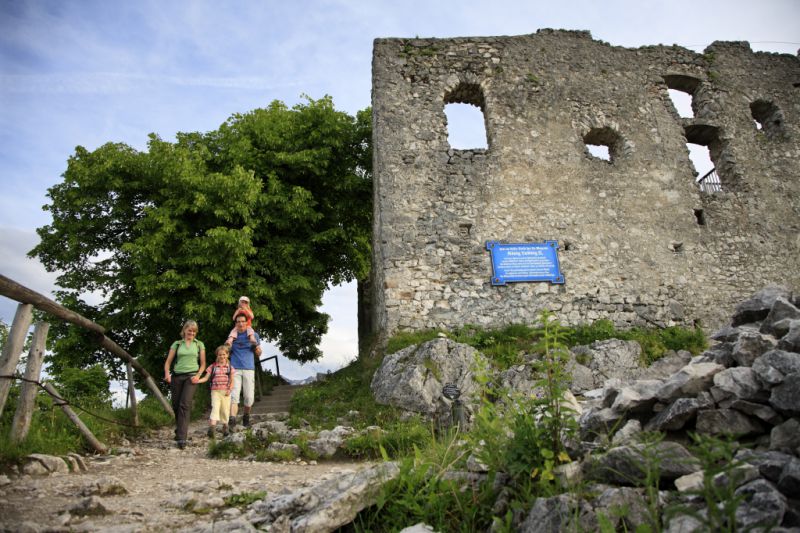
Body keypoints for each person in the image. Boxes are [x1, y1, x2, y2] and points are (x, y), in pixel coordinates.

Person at [164, 320, 206, 449]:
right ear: (184, 330)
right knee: (176, 405)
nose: (192, 333)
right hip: (177, 377)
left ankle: (182, 438)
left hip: (191, 377)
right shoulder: (177, 344)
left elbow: (203, 364)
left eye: (194, 331)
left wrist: (198, 376)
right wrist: (167, 374)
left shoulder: (199, 345)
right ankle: (179, 430)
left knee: (184, 405)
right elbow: (168, 362)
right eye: (190, 330)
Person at [228, 313, 261, 428]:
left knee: (249, 397)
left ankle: (246, 416)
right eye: (238, 322)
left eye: (243, 321)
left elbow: (259, 353)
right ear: (236, 324)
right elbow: (226, 352)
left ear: (247, 323)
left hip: (249, 368)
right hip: (235, 369)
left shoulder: (254, 335)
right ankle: (232, 420)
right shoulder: (232, 336)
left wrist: (255, 347)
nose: (241, 323)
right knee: (234, 396)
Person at [197, 345, 235, 438]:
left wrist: (229, 390)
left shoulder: (230, 367)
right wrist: (197, 380)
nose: (222, 356)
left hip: (226, 392)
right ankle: (212, 429)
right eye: (220, 355)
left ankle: (225, 427)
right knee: (215, 408)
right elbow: (206, 378)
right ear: (217, 355)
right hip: (215, 391)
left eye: (224, 354)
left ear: (227, 355)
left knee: (225, 411)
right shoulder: (213, 366)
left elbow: (232, 381)